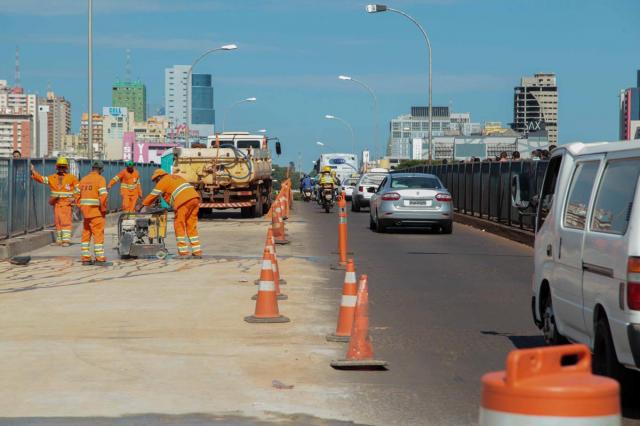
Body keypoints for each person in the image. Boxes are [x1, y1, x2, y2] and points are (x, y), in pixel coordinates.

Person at [140, 169, 202, 258]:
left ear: (160, 177)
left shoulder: (163, 180)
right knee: (191, 225)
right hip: (194, 198)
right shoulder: (176, 177)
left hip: (183, 202)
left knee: (179, 225)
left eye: (156, 180)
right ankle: (197, 252)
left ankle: (183, 253)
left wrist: (142, 205)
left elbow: (154, 194)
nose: (156, 182)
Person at [31, 157, 79, 246]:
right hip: (56, 204)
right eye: (60, 167)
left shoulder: (72, 178)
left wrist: (74, 198)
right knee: (58, 223)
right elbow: (42, 179)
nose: (61, 169)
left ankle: (66, 241)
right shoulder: (53, 177)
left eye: (63, 167)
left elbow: (78, 190)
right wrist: (33, 171)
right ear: (57, 167)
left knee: (66, 222)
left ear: (66, 168)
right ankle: (59, 240)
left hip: (66, 204)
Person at [78, 160, 108, 264]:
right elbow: (103, 196)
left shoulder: (83, 179)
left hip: (85, 213)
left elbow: (76, 194)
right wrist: (103, 210)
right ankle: (99, 257)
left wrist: (81, 207)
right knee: (98, 233)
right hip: (96, 212)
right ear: (100, 170)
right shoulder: (100, 179)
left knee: (86, 233)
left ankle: (85, 257)